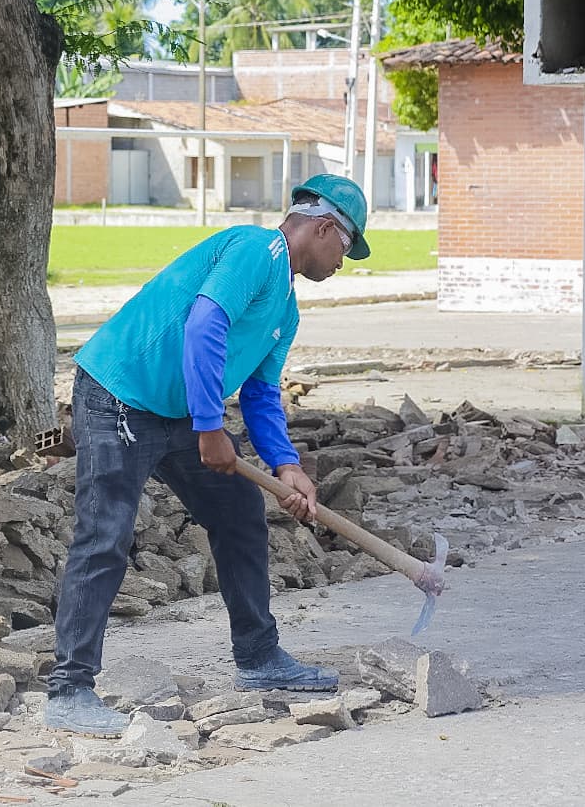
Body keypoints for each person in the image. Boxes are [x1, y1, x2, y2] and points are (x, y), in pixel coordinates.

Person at [45, 174, 371, 737]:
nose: (344, 261)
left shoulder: (286, 310)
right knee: (105, 534)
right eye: (346, 245)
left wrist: (287, 466)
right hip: (119, 393)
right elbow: (204, 324)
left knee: (239, 513)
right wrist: (210, 426)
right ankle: (69, 690)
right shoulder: (256, 249)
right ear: (323, 228)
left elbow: (262, 394)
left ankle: (258, 658)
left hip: (179, 411)